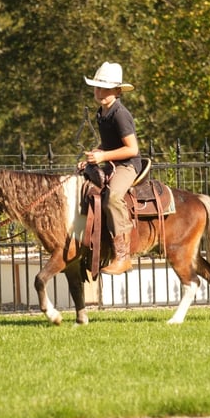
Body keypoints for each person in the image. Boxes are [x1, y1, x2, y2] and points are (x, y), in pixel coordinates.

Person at [80, 62, 142, 275]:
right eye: (97, 87)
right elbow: (109, 143)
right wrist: (93, 156)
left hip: (127, 166)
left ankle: (123, 257)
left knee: (112, 198)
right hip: (113, 162)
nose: (99, 92)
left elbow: (132, 149)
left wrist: (103, 156)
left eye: (105, 88)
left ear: (117, 91)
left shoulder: (119, 114)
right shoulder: (102, 112)